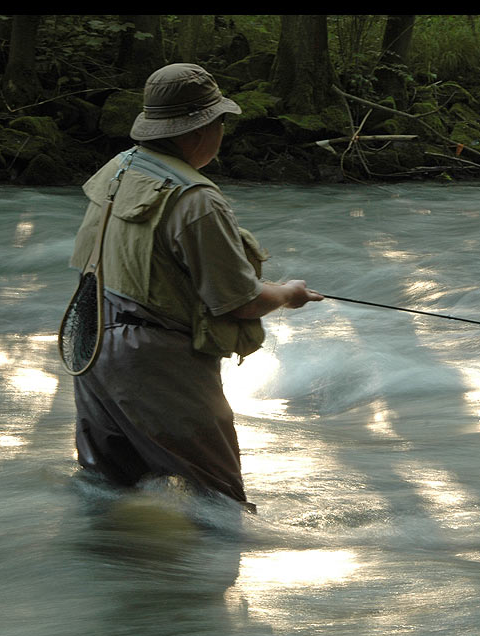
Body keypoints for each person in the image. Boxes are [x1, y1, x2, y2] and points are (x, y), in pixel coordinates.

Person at [68, 63, 323, 510]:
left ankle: (121, 568)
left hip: (90, 344)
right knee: (218, 506)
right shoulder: (196, 200)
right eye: (220, 121)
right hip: (154, 363)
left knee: (108, 492)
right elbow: (239, 302)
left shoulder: (120, 169)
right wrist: (287, 293)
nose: (223, 131)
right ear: (199, 130)